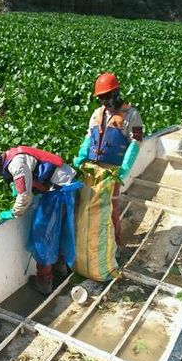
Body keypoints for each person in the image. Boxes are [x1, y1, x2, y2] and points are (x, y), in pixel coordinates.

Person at [0, 145, 78, 295]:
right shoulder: (14, 155)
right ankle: (60, 270)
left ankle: (44, 282)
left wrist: (14, 213)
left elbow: (24, 196)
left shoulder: (16, 165)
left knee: (42, 236)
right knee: (57, 230)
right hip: (65, 185)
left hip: (60, 191)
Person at [73, 72, 143, 252]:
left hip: (113, 171)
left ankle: (116, 244)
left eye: (107, 96)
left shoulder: (132, 115)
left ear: (116, 93)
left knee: (110, 207)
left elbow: (136, 143)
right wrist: (81, 156)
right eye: (102, 98)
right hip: (93, 168)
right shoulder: (97, 113)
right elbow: (90, 136)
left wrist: (124, 168)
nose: (105, 101)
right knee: (89, 205)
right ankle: (93, 243)